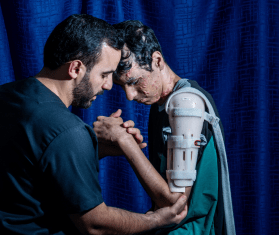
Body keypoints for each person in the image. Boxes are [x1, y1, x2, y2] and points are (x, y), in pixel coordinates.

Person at [0, 14, 188, 235]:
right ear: (76, 69)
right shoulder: (67, 132)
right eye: (105, 74)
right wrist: (156, 219)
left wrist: (94, 147)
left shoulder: (7, 96)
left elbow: (30, 166)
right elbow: (95, 224)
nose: (109, 86)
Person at [97, 20, 235, 235]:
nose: (129, 96)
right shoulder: (162, 103)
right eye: (122, 86)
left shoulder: (185, 103)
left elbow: (175, 205)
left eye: (135, 81)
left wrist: (124, 142)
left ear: (157, 60)